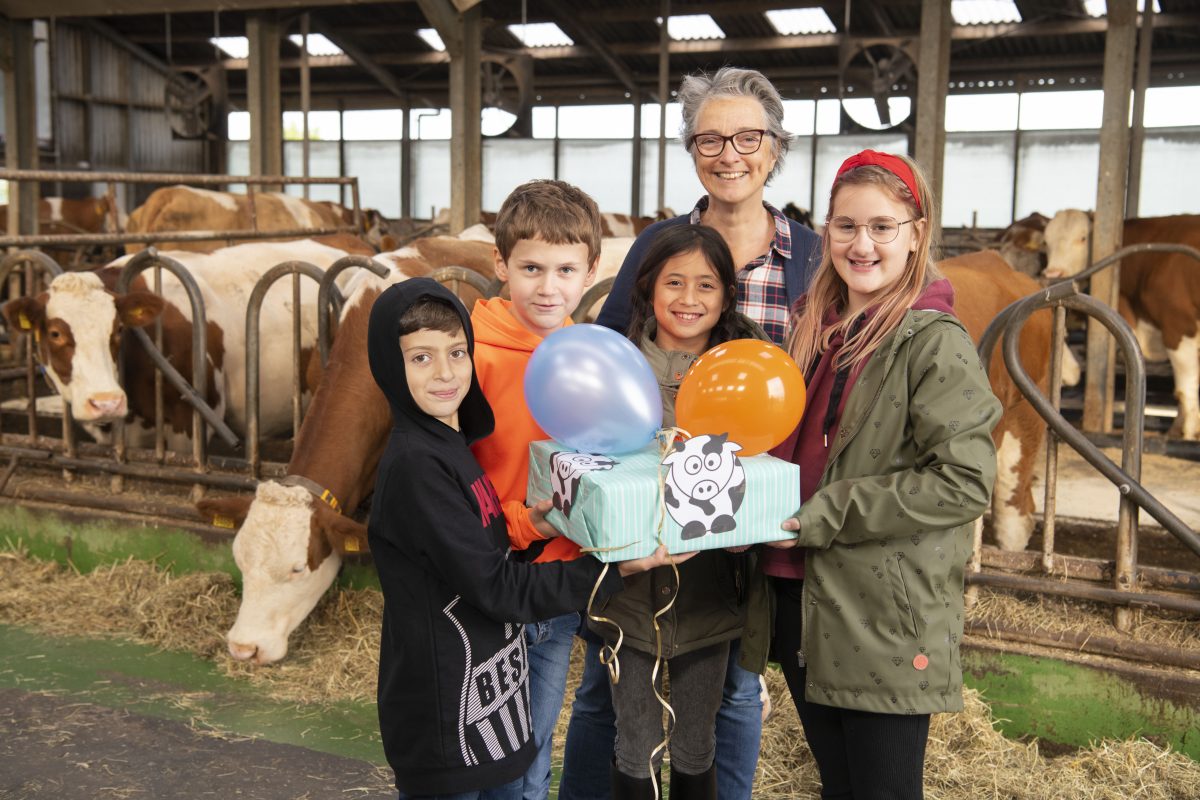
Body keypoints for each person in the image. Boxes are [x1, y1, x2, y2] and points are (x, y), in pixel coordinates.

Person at [566, 66, 821, 800]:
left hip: (745, 522)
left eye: (748, 136)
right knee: (609, 689)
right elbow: (608, 367)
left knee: (734, 691)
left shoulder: (808, 257)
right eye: (710, 138)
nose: (729, 152)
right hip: (642, 529)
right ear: (691, 149)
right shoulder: (660, 245)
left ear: (775, 147)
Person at [366, 277, 680, 799]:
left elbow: (474, 545)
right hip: (446, 714)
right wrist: (614, 569)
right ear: (388, 365)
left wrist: (535, 523)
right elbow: (497, 587)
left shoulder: (449, 443)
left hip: (485, 691)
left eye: (457, 352)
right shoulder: (416, 467)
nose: (445, 372)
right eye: (420, 358)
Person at [757, 150, 1003, 799]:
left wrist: (828, 513)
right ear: (826, 232)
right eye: (845, 226)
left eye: (882, 227)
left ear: (915, 233)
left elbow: (966, 480)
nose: (861, 244)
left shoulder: (932, 340)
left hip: (883, 612)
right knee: (840, 787)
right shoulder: (814, 328)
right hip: (801, 598)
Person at [594, 223, 771, 799]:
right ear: (647, 288)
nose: (689, 299)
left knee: (697, 741)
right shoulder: (614, 369)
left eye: (706, 285)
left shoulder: (748, 373)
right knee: (635, 739)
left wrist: (751, 528)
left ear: (726, 296)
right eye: (674, 282)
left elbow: (764, 472)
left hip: (712, 589)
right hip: (627, 594)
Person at [469, 179, 599, 800]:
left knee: (532, 745)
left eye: (566, 269)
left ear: (590, 270)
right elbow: (450, 479)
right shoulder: (469, 358)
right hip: (486, 583)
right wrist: (518, 526)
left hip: (558, 584)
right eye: (531, 268)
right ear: (501, 265)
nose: (549, 286)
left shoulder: (591, 355)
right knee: (482, 746)